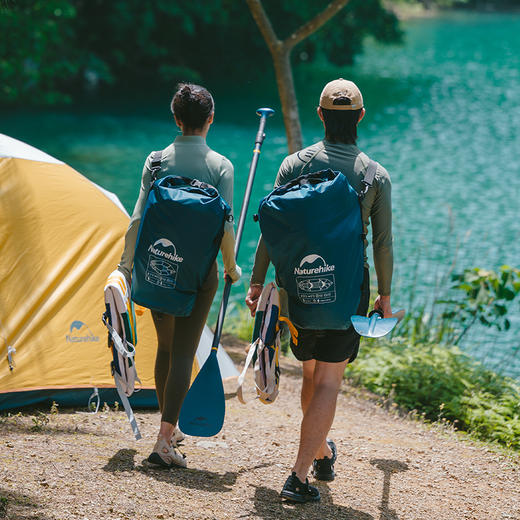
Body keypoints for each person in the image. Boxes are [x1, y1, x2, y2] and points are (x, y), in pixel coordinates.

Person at [245, 78, 393, 502]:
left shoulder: (294, 165)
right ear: (361, 117)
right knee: (328, 380)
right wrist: (384, 294)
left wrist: (258, 280)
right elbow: (382, 243)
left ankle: (321, 451)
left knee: (310, 371)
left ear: (320, 116)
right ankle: (298, 475)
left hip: (299, 287)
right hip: (347, 290)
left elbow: (271, 227)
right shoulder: (374, 175)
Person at [118, 83, 241, 468]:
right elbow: (224, 226)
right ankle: (164, 441)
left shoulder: (155, 162)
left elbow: (138, 217)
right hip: (197, 275)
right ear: (210, 119)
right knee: (185, 353)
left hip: (158, 269)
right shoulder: (221, 167)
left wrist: (125, 266)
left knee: (167, 349)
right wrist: (231, 266)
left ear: (175, 119)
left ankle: (167, 428)